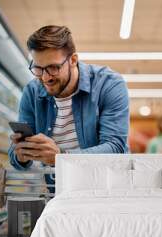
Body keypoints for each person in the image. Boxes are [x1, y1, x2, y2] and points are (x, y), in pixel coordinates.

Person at [8, 25, 129, 192]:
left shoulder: (109, 84)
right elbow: (16, 159)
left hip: (107, 190)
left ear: (73, 60)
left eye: (53, 68)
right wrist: (21, 154)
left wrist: (61, 157)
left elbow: (115, 147)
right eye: (38, 68)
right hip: (59, 192)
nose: (45, 77)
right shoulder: (32, 92)